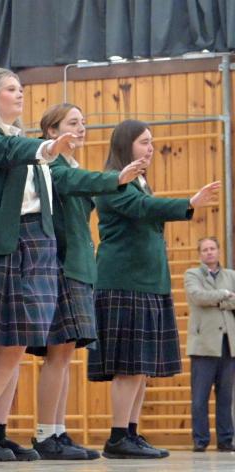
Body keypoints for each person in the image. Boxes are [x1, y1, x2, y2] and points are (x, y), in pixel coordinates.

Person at [0, 68, 75, 462]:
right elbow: (7, 154)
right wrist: (47, 147)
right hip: (8, 244)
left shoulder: (20, 138)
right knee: (6, 342)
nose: (20, 94)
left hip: (35, 242)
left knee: (16, 344)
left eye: (21, 88)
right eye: (11, 89)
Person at [88, 119, 221, 459]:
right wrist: (188, 202)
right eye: (144, 142)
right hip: (123, 283)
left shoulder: (140, 182)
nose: (150, 148)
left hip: (147, 283)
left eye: (151, 142)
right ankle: (118, 437)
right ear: (125, 145)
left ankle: (131, 432)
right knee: (128, 366)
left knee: (141, 367)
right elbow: (143, 209)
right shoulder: (113, 183)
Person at [30, 103, 146, 460]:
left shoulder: (71, 165)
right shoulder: (51, 166)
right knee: (57, 353)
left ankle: (59, 430)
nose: (81, 129)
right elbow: (75, 184)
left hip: (80, 265)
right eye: (72, 123)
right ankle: (45, 433)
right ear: (51, 131)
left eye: (83, 123)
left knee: (64, 354)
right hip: (62, 263)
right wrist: (116, 178)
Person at [186, 236, 235, 452]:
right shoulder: (192, 274)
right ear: (200, 253)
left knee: (225, 397)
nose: (209, 252)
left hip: (228, 343)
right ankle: (200, 440)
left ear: (218, 251)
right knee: (200, 398)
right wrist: (225, 295)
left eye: (212, 248)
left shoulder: (231, 275)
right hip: (203, 345)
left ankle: (225, 440)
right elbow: (198, 297)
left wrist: (218, 298)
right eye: (204, 249)